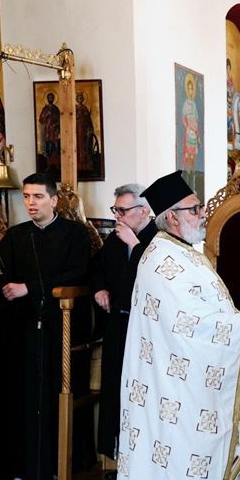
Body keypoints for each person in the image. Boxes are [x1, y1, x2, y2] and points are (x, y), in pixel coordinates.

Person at [110, 171, 240, 480]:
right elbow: (188, 326)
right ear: (173, 217)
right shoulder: (162, 261)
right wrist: (238, 325)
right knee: (183, 476)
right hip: (175, 398)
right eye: (195, 209)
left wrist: (232, 321)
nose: (202, 214)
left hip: (193, 388)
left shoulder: (181, 253)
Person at [0, 173, 91, 480]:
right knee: (21, 397)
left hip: (59, 328)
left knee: (50, 397)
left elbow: (78, 273)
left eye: (37, 197)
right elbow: (0, 274)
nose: (30, 203)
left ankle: (54, 466)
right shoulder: (16, 235)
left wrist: (30, 288)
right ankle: (23, 468)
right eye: (26, 197)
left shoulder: (75, 234)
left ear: (54, 199)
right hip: (23, 328)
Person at [90, 184, 157, 464]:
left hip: (149, 330)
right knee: (116, 387)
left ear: (143, 211)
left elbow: (158, 275)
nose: (117, 216)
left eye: (122, 210)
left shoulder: (159, 238)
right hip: (118, 323)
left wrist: (134, 245)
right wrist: (100, 288)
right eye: (115, 210)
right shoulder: (115, 239)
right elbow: (96, 268)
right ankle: (116, 456)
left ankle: (143, 458)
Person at [181, 74, 200, 170]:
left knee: (194, 156)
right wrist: (187, 128)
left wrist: (197, 134)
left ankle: (193, 173)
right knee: (188, 155)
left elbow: (197, 120)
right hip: (189, 133)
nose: (191, 91)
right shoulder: (186, 104)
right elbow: (183, 118)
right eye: (189, 89)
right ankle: (188, 172)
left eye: (192, 89)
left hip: (194, 133)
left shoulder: (194, 104)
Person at [37, 91, 61, 170]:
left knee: (56, 148)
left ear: (54, 99)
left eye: (52, 97)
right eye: (49, 97)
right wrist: (46, 114)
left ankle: (57, 164)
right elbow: (41, 120)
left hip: (55, 131)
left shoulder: (56, 109)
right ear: (47, 99)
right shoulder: (45, 109)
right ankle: (49, 164)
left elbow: (60, 119)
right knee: (49, 148)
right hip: (48, 132)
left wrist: (56, 125)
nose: (51, 99)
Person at [75, 92, 96, 172]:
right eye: (78, 98)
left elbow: (88, 120)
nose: (80, 99)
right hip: (76, 129)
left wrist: (90, 128)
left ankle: (85, 164)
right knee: (77, 145)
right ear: (77, 99)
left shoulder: (85, 108)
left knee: (84, 145)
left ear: (83, 99)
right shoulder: (75, 108)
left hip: (84, 129)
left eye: (81, 98)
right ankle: (77, 164)